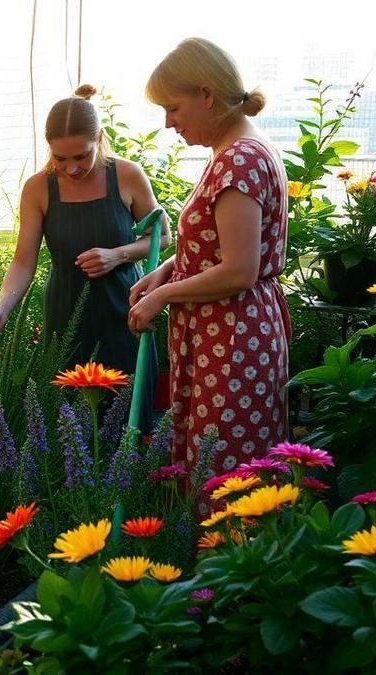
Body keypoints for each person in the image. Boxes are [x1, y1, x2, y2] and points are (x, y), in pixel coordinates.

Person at [128, 38, 291, 489]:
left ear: (206, 95)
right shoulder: (236, 150)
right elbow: (215, 246)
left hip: (232, 339)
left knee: (223, 474)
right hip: (228, 334)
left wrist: (162, 295)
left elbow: (239, 269)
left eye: (173, 108)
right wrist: (164, 270)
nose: (167, 122)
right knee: (216, 463)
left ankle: (226, 560)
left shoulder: (238, 160)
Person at [0, 84, 170, 431]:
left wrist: (118, 255)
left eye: (81, 156)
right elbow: (23, 261)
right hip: (65, 319)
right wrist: (1, 310)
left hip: (125, 315)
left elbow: (163, 236)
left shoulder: (126, 175)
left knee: (128, 426)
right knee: (71, 429)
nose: (72, 167)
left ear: (100, 139)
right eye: (60, 158)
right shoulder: (38, 188)